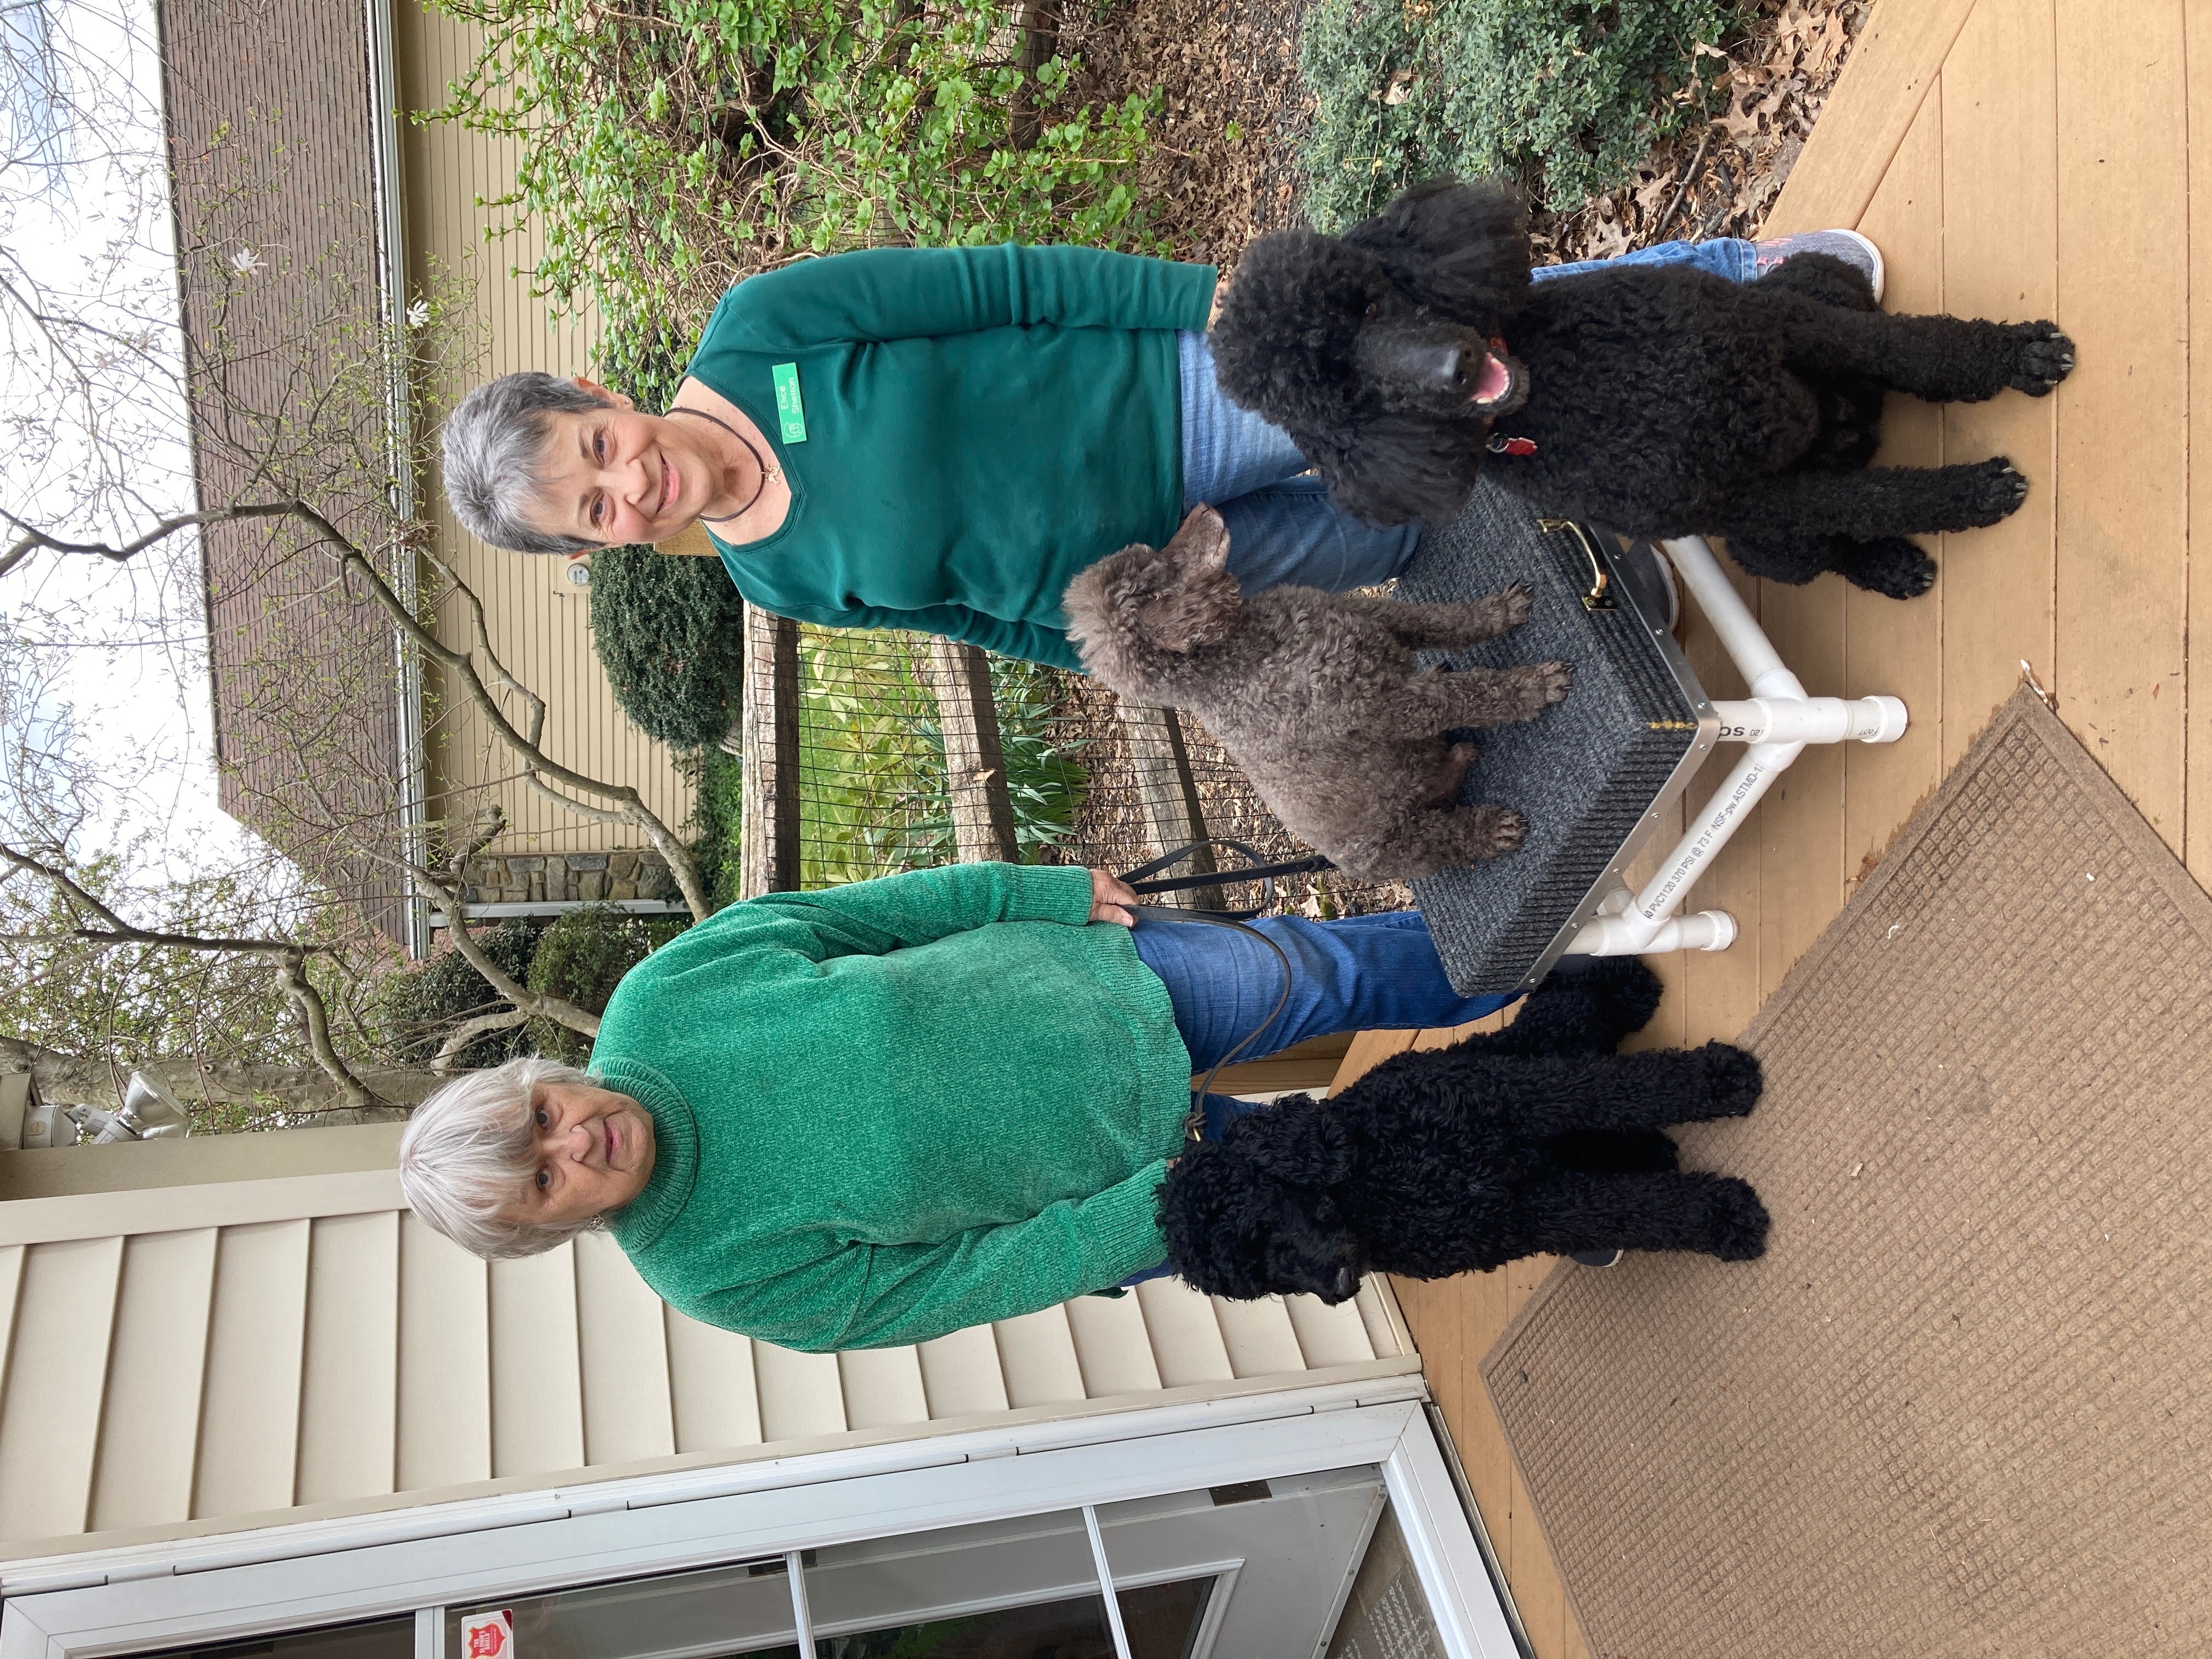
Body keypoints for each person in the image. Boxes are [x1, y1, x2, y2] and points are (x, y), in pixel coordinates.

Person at [439, 230, 1882, 672]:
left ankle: (1735, 284)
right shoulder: (776, 584)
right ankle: (1667, 493)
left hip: (1183, 393)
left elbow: (1003, 284)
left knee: (1465, 372)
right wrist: (1125, 653)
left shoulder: (765, 331)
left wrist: (1206, 313)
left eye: (598, 447)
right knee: (1420, 514)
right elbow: (983, 620)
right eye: (595, 512)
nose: (630, 484)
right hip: (1186, 567)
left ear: (594, 391)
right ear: (592, 550)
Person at [396, 861, 1522, 1351]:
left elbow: (866, 918)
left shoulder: (665, 998)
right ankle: (1567, 1127)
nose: (574, 1139)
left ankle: (1564, 943)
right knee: (1375, 1186)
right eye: (544, 1177)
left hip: (1105, 992)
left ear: (540, 1078)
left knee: (1340, 977)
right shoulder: (715, 1276)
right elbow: (959, 1285)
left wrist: (1036, 891)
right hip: (1130, 1189)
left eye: (541, 1114)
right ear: (553, 1228)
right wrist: (1156, 1213)